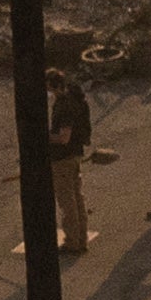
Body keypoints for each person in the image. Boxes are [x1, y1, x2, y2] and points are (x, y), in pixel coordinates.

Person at [42, 48, 95, 257]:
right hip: (76, 155)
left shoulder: (64, 106)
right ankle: (81, 239)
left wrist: (45, 137)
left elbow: (63, 137)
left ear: (53, 86)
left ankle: (73, 242)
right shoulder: (76, 97)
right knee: (78, 197)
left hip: (62, 158)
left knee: (67, 201)